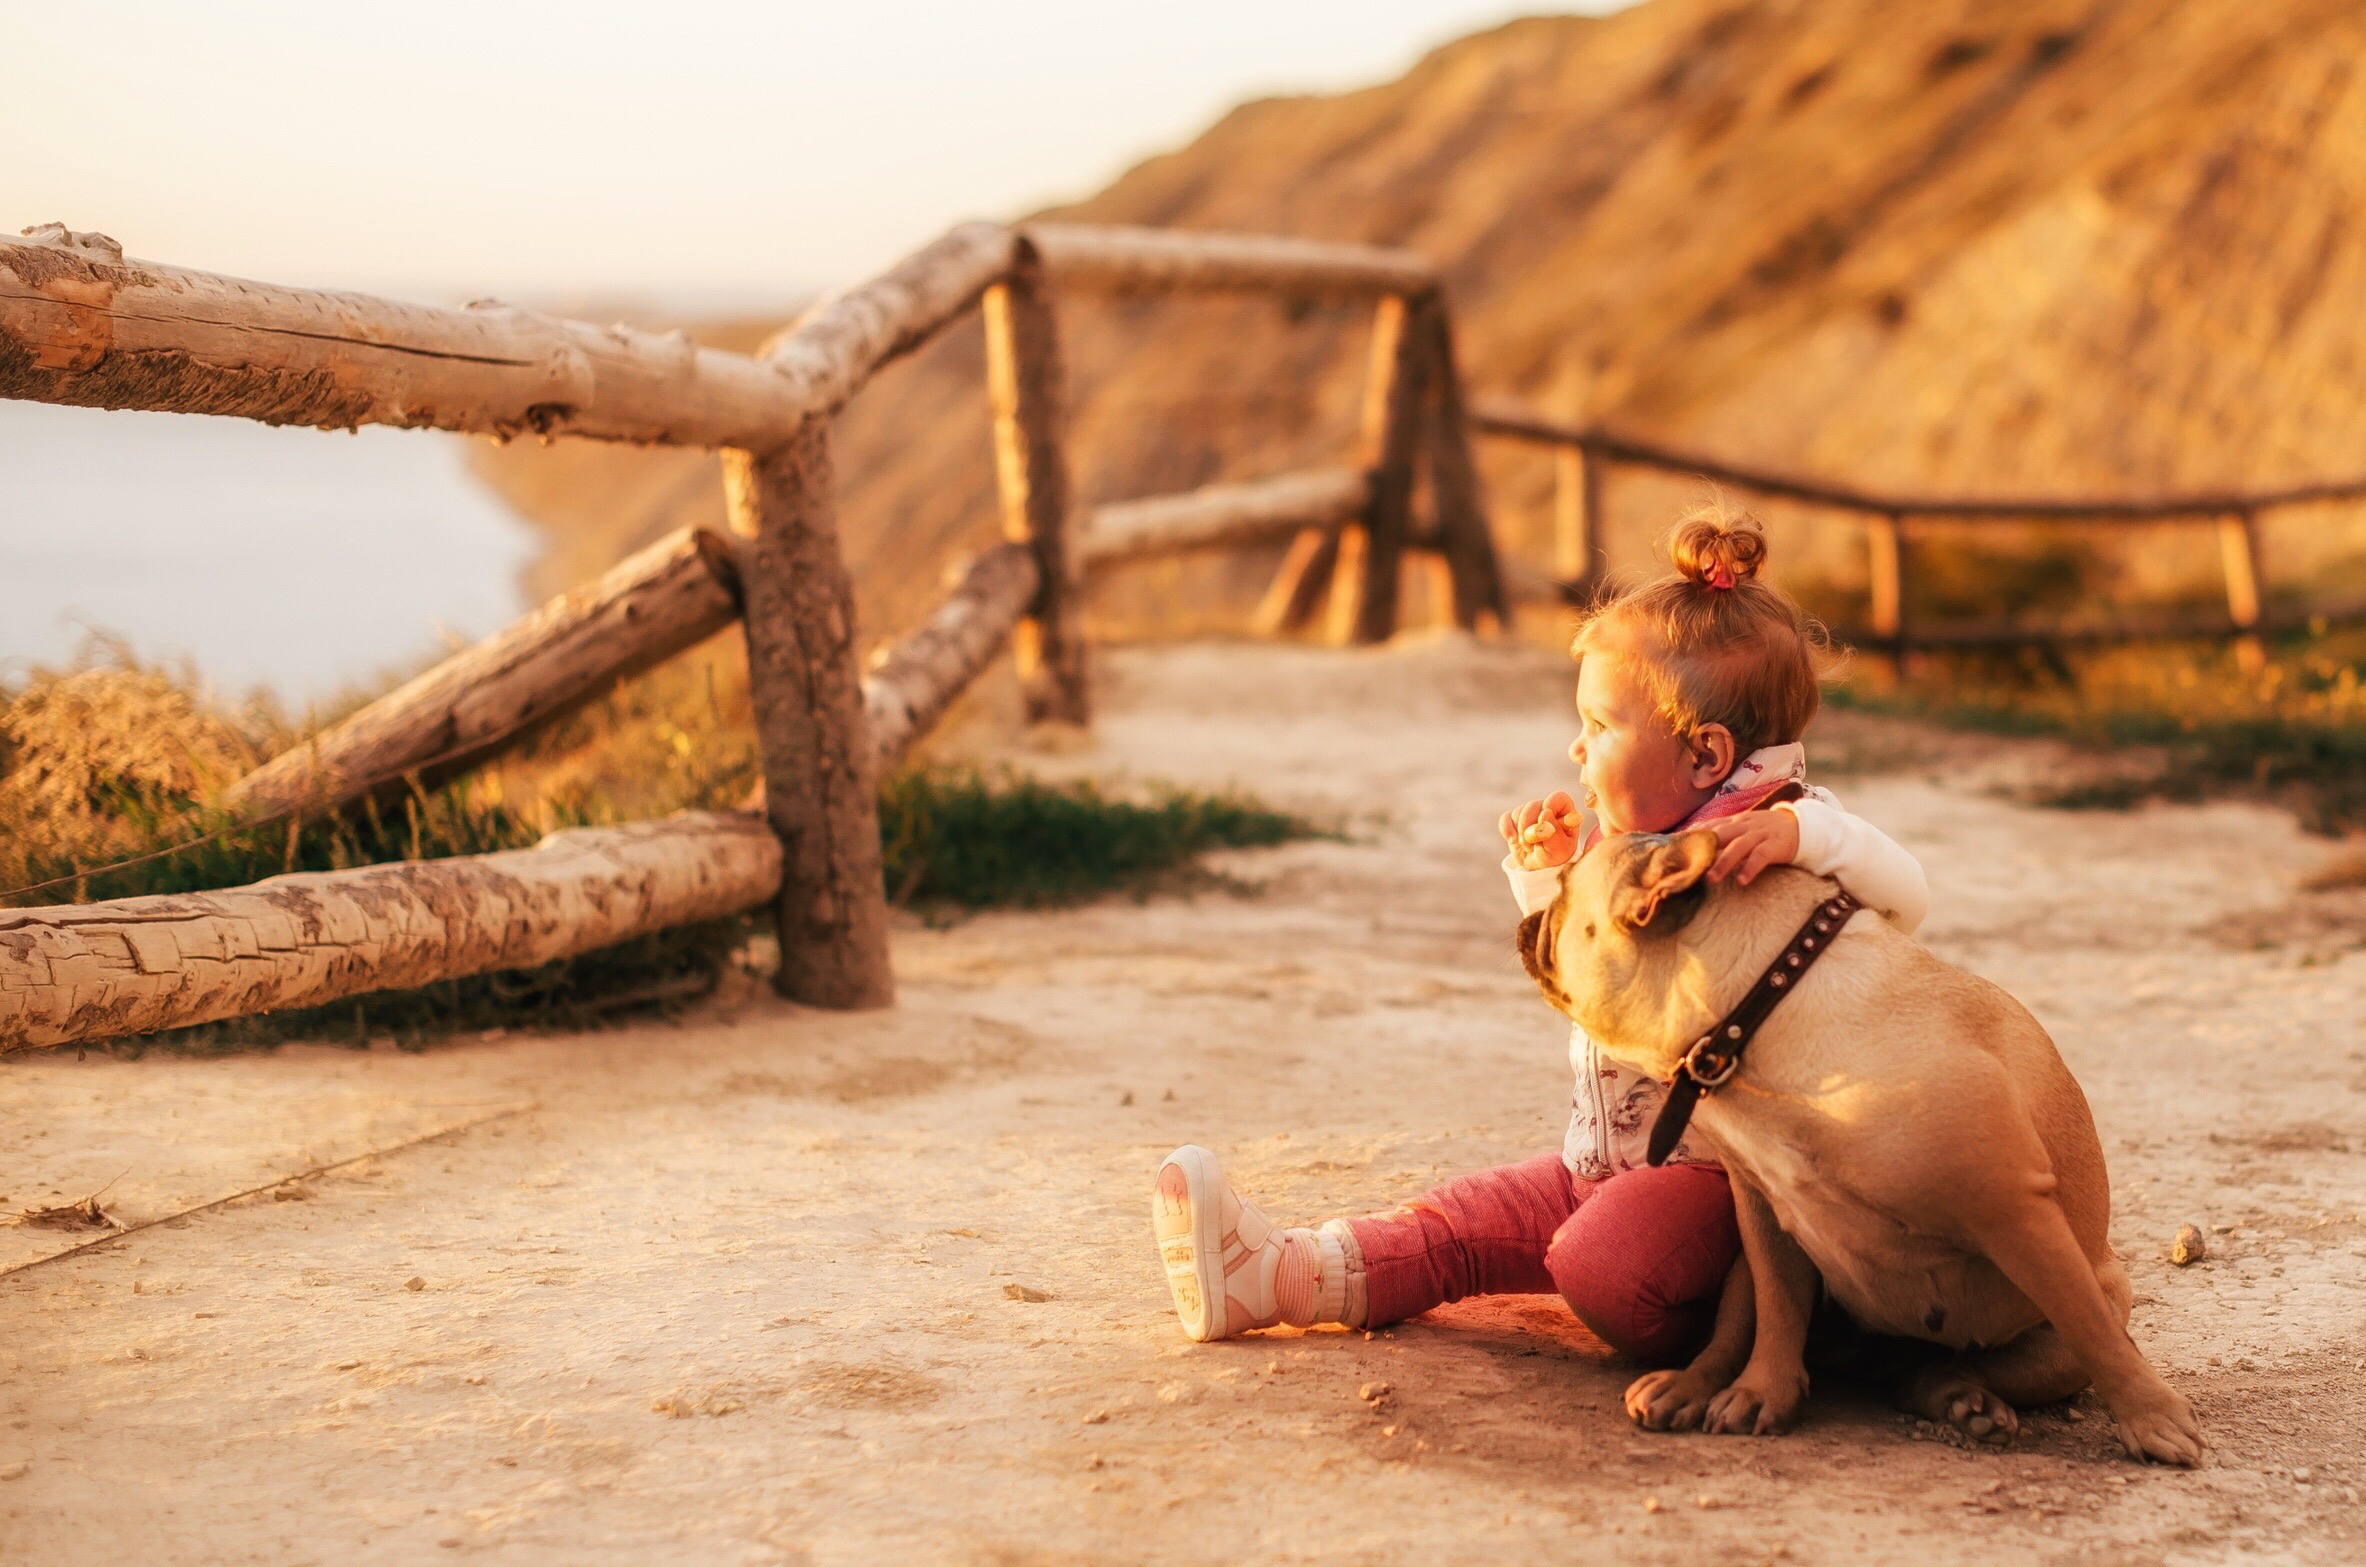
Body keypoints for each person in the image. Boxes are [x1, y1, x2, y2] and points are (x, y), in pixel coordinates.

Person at [1150, 503, 1931, 1390]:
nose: (1577, 745)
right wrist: (1553, 879)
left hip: (1732, 1193)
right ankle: (1279, 1274)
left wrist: (1805, 836)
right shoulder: (1638, 845)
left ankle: (1797, 1326)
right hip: (1597, 1163)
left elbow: (1908, 894)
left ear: (1708, 755)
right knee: (1463, 1221)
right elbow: (1587, 987)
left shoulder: (1779, 828)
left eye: (1600, 726)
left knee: (1595, 1263)